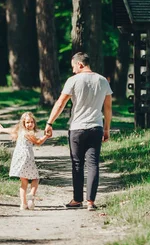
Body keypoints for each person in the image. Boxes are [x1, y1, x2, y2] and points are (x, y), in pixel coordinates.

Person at [45, 52, 112, 211]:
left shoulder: (73, 80)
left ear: (80, 64)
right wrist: (107, 128)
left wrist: (50, 122)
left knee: (77, 164)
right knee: (93, 164)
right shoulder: (103, 81)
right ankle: (90, 201)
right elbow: (108, 108)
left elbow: (60, 103)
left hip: (77, 128)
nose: (73, 70)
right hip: (96, 127)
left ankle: (77, 199)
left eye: (74, 67)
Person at [0, 112, 50, 210]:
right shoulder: (28, 133)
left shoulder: (19, 131)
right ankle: (31, 195)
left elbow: (11, 130)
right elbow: (38, 142)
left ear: (34, 123)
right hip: (26, 158)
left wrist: (0, 129)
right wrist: (46, 136)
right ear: (23, 124)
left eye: (31, 122)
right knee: (35, 178)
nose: (30, 124)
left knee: (24, 182)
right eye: (27, 122)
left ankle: (23, 204)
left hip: (18, 158)